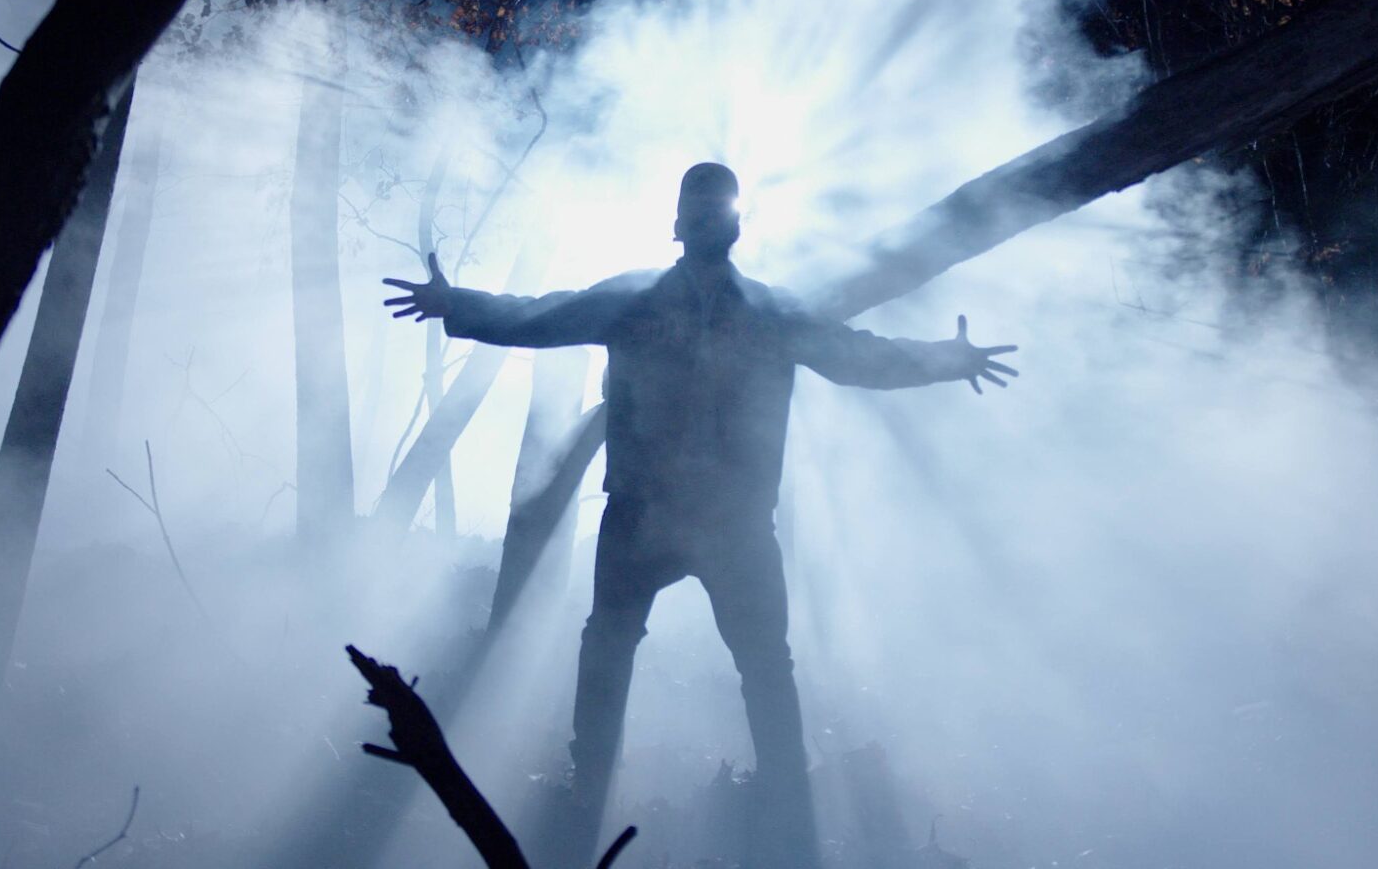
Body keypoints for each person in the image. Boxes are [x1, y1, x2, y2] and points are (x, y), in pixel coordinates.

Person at [382, 162, 1018, 867]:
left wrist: (946, 360)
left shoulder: (771, 312)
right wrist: (456, 304)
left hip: (734, 524)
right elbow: (541, 315)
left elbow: (859, 357)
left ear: (733, 225)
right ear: (680, 226)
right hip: (641, 516)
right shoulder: (639, 301)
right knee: (613, 647)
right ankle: (587, 790)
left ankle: (784, 806)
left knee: (761, 662)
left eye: (720, 209)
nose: (711, 220)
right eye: (701, 209)